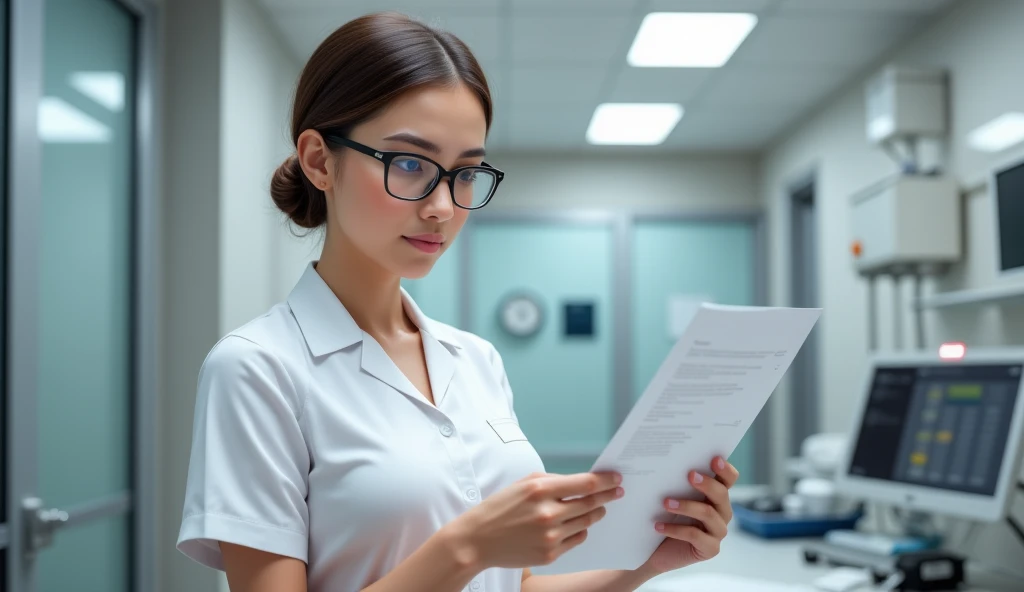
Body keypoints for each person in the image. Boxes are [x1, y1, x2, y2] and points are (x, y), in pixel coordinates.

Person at [176, 11, 738, 592]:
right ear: (321, 160)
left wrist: (646, 559)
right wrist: (467, 546)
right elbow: (476, 556)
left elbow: (515, 585)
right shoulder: (256, 368)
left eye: (465, 173)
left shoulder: (475, 359)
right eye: (410, 164)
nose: (444, 206)